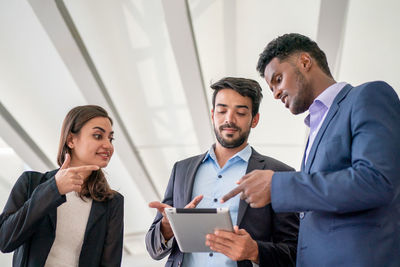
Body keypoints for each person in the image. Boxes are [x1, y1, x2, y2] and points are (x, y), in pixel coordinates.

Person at [221, 33, 400, 266]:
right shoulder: (315, 127)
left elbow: (377, 180)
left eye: (278, 79)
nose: (275, 93)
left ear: (305, 62)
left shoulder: (367, 96)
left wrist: (277, 185)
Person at [146, 77, 299, 267]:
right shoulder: (182, 170)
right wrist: (167, 227)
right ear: (212, 115)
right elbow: (153, 249)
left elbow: (295, 252)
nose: (229, 119)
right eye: (222, 111)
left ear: (255, 119)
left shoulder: (278, 174)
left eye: (241, 112)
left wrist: (255, 251)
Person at [0, 105, 124, 267]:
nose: (108, 145)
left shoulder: (112, 203)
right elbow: (5, 240)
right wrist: (53, 189)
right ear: (71, 140)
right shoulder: (30, 183)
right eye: (98, 136)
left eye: (110, 138)